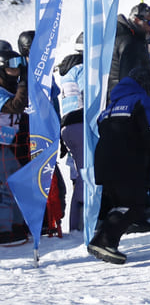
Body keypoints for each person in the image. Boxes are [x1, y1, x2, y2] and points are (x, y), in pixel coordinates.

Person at [87, 69, 150, 264]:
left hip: (104, 163)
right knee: (135, 206)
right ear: (143, 84)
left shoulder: (111, 107)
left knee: (122, 204)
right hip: (126, 163)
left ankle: (103, 241)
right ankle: (105, 241)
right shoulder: (142, 101)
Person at [57, 33, 86, 231]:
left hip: (68, 125)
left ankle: (76, 224)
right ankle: (82, 226)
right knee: (87, 175)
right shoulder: (84, 68)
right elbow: (89, 95)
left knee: (78, 175)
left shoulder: (68, 70)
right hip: (81, 121)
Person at [0, 48, 30, 242]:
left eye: (20, 64)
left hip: (8, 145)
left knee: (15, 185)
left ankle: (17, 225)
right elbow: (16, 105)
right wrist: (25, 81)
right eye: (12, 65)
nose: (17, 69)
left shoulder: (10, 89)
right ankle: (4, 230)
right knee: (3, 188)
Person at [107, 2, 150, 100]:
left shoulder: (125, 38)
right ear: (137, 20)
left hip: (119, 102)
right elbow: (130, 81)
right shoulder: (130, 42)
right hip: (130, 105)